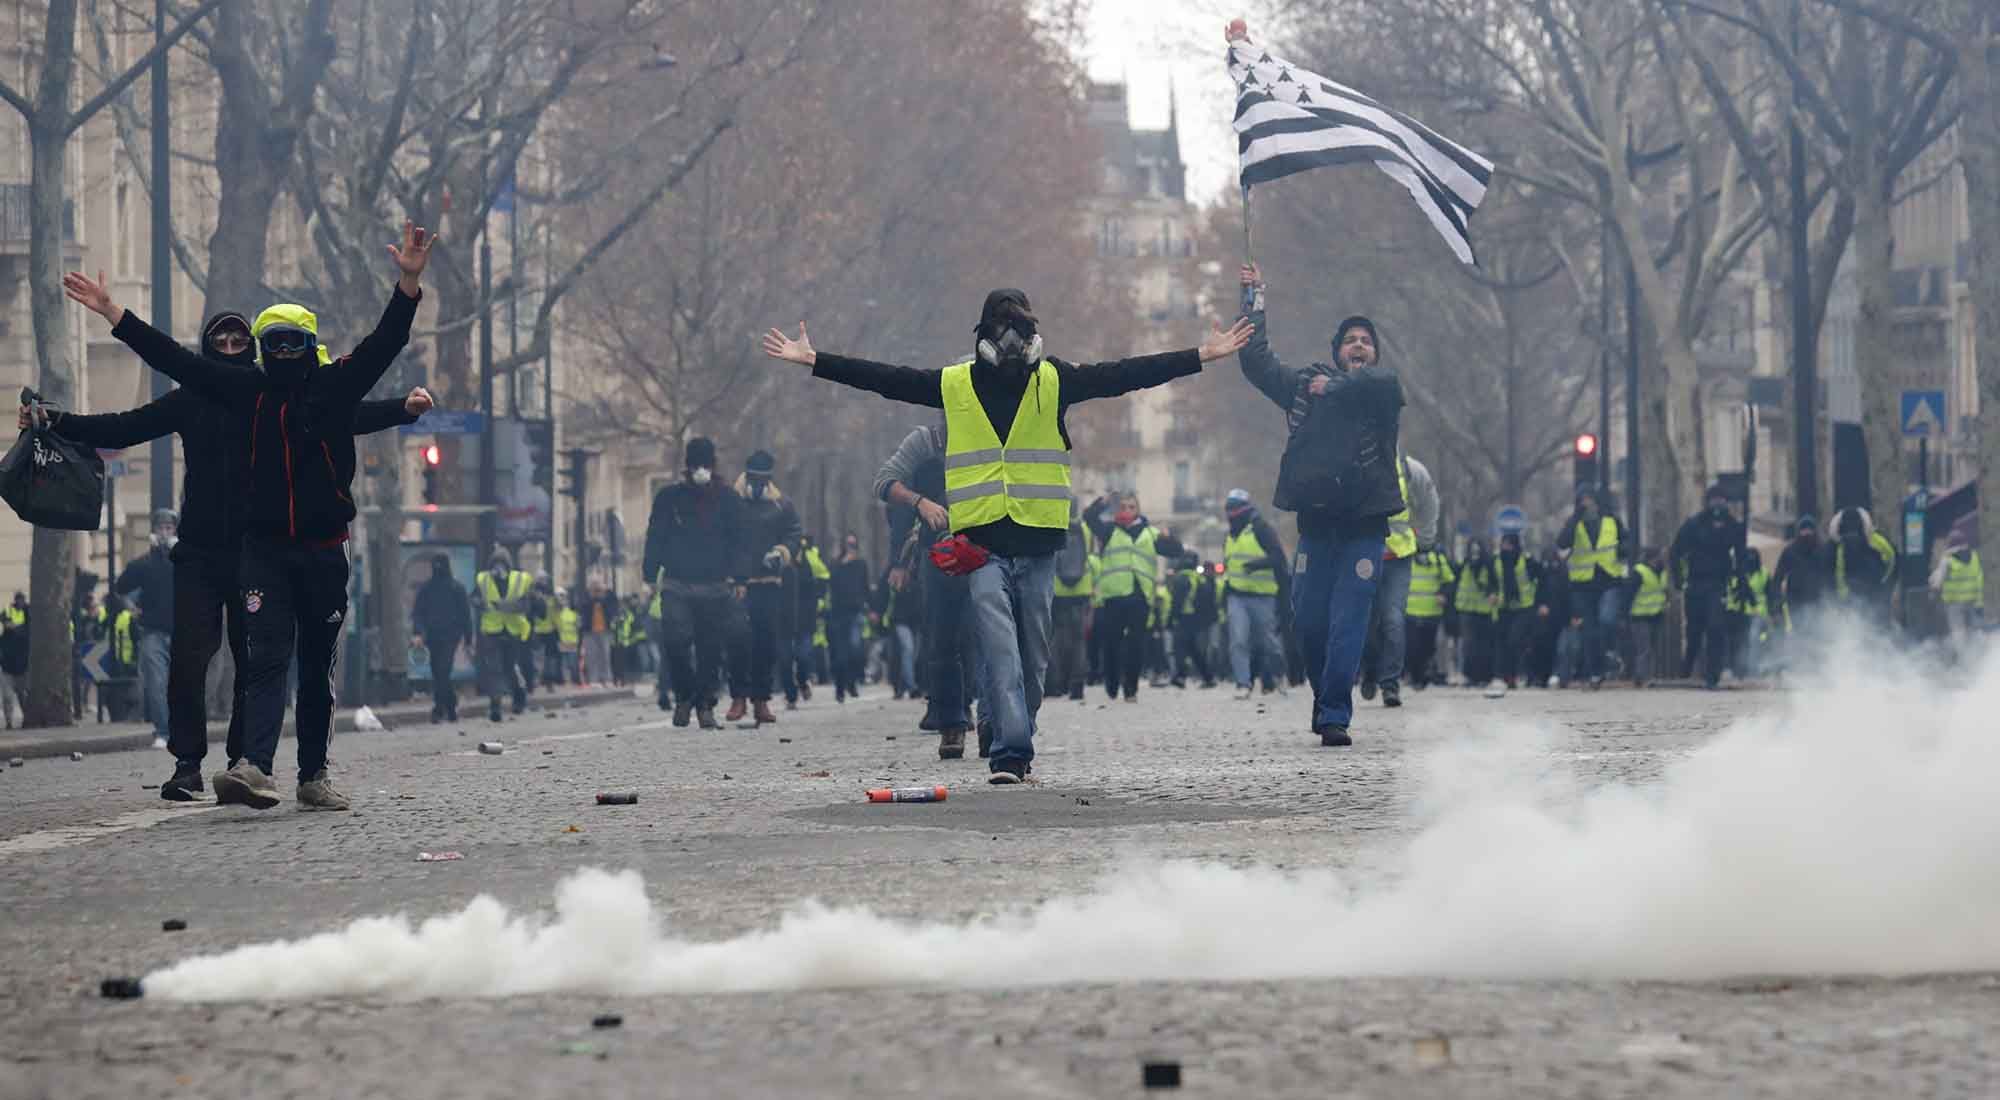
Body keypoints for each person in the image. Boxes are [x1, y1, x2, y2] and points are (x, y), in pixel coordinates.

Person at [764, 288, 1249, 781]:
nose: (1014, 340)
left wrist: (1201, 356)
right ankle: (1010, 753)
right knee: (999, 652)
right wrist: (814, 360)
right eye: (1004, 328)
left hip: (1039, 544)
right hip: (981, 548)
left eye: (1021, 328)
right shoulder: (954, 384)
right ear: (984, 339)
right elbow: (886, 379)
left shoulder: (1055, 379)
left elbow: (1126, 374)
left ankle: (1018, 729)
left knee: (1034, 658)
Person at [65, 222, 435, 811]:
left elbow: (384, 343)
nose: (284, 352)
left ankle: (313, 773)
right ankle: (252, 766)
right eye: (275, 343)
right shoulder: (246, 392)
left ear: (307, 343)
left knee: (315, 664)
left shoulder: (335, 387)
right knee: (264, 657)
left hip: (322, 548)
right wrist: (115, 313)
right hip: (262, 549)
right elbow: (174, 360)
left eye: (293, 341)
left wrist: (408, 284)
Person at [1237, 263, 1404, 745]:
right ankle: (1324, 695)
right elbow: (1257, 362)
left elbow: (1386, 384)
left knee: (1349, 621)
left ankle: (1335, 714)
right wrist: (1253, 301)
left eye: (1365, 341)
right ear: (1336, 352)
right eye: (1350, 339)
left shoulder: (1380, 393)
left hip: (1365, 531)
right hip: (1316, 529)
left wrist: (1338, 386)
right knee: (1309, 622)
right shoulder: (1305, 389)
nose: (1358, 345)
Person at [642, 437, 749, 730]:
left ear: (713, 466)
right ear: (687, 467)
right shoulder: (669, 498)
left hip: (715, 585)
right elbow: (656, 536)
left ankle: (705, 704)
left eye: (705, 464)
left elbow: (740, 541)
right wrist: (650, 575)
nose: (701, 470)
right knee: (675, 642)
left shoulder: (728, 500)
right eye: (695, 465)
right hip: (677, 582)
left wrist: (740, 577)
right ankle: (684, 696)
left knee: (710, 650)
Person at [1084, 492, 1187, 702]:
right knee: (1112, 643)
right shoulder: (1108, 530)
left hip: (1140, 595)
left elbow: (1177, 551)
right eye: (1122, 507)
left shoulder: (1150, 533)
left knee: (1136, 643)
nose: (1127, 511)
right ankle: (1112, 681)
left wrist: (1170, 538)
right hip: (1113, 595)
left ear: (1138, 510)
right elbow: (1089, 518)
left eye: (1131, 507)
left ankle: (1131, 688)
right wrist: (1102, 503)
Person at [1359, 455, 1439, 707]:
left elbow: (1428, 501)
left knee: (1393, 619)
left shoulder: (1409, 468)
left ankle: (1390, 684)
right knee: (1366, 622)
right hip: (1363, 555)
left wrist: (1426, 538)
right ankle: (1369, 670)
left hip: (1398, 557)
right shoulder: (1356, 459)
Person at [729, 450, 801, 725]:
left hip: (769, 583)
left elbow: (793, 532)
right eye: (754, 478)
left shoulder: (781, 505)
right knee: (737, 639)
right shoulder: (731, 502)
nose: (758, 484)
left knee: (766, 642)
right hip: (737, 583)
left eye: (763, 479)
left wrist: (781, 552)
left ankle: (761, 700)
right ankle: (738, 696)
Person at [113, 509, 179, 750]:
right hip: (153, 633)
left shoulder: (184, 561)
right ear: (153, 532)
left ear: (175, 531)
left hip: (182, 632)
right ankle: (162, 732)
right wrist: (131, 608)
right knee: (157, 685)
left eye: (169, 528)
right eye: (160, 528)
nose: (164, 532)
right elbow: (119, 588)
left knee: (182, 685)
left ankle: (181, 731)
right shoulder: (142, 564)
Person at [1670, 486, 1743, 689]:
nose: (1718, 504)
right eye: (1714, 499)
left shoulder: (1733, 526)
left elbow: (1741, 556)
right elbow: (1676, 551)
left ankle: (1712, 675)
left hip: (1717, 584)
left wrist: (1740, 583)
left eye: (1722, 499)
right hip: (1695, 583)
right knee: (1694, 630)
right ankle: (1688, 666)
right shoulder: (1694, 525)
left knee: (1715, 627)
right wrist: (1678, 578)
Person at [1556, 487, 1629, 688]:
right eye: (1583, 500)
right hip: (1582, 584)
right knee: (1589, 630)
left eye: (1590, 500)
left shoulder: (1611, 521)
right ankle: (1595, 670)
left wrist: (1624, 550)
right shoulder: (1574, 524)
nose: (1587, 504)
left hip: (1608, 579)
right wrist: (1574, 519)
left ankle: (1607, 652)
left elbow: (1625, 541)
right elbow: (1562, 543)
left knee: (1606, 620)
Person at [1220, 488, 1289, 698]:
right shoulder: (1229, 536)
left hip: (1263, 596)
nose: (1230, 513)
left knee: (1269, 643)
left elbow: (1279, 558)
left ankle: (1279, 675)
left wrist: (1257, 565)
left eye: (1233, 508)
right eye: (1228, 508)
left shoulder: (1261, 529)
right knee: (1238, 640)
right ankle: (1243, 683)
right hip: (1237, 596)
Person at [410, 553, 472, 723]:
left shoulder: (456, 588)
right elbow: (418, 613)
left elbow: (465, 615)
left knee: (443, 670)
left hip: (451, 637)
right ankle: (451, 706)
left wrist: (468, 639)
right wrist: (418, 633)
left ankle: (439, 709)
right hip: (432, 637)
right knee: (438, 672)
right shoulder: (427, 589)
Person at [1044, 499, 1095, 704]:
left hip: (1058, 590)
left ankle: (1056, 683)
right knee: (1079, 639)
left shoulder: (1053, 525)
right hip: (1081, 589)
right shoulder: (1086, 529)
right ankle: (1077, 685)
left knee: (1056, 638)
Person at [474, 549, 532, 721]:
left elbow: (526, 604)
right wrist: (480, 604)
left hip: (513, 630)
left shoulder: (520, 579)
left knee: (510, 667)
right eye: (495, 564)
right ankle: (495, 705)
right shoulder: (483, 579)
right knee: (494, 668)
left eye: (502, 564)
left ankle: (519, 696)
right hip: (492, 631)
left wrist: (508, 606)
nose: (498, 568)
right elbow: (475, 598)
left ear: (508, 565)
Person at [1771, 514, 1834, 642]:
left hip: (1817, 600)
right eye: (1803, 530)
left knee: (1817, 634)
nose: (1806, 533)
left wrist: (1831, 598)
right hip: (1796, 600)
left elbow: (1830, 575)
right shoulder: (1789, 551)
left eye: (1809, 529)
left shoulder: (1823, 550)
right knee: (1800, 633)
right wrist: (1777, 604)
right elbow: (1778, 578)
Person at [825, 532, 872, 702]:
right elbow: (832, 584)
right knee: (839, 654)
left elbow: (865, 587)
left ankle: (852, 683)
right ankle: (840, 688)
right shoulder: (836, 565)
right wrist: (842, 563)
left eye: (853, 545)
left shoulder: (861, 564)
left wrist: (872, 609)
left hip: (855, 612)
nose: (850, 548)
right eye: (848, 544)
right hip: (837, 614)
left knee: (855, 650)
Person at [1829, 506, 1895, 623]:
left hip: (1861, 592)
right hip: (1869, 591)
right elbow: (1891, 558)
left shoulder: (1842, 546)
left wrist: (1842, 595)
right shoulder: (1876, 540)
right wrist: (1884, 579)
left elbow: (1840, 572)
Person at [1403, 545, 1454, 689]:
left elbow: (1449, 580)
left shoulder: (1438, 559)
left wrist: (1443, 593)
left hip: (1432, 612)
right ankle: (1416, 677)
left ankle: (1424, 673)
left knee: (1428, 647)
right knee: (1412, 646)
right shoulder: (1407, 558)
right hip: (1410, 611)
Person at [1492, 531, 1538, 689]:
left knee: (1515, 640)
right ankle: (1507, 676)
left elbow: (1539, 580)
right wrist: (1492, 594)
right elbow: (1491, 581)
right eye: (1504, 544)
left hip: (1524, 607)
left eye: (1509, 544)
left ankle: (1520, 673)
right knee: (1504, 644)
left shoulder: (1527, 560)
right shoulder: (1496, 561)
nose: (1506, 548)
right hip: (1504, 608)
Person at [1167, 554, 1218, 689]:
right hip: (1195, 618)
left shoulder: (1180, 578)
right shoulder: (1199, 578)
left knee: (1179, 647)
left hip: (1184, 617)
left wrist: (1171, 619)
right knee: (1193, 649)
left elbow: (1176, 601)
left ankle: (1180, 676)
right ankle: (1208, 677)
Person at [1454, 537, 1500, 688]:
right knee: (1469, 645)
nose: (1475, 554)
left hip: (1484, 610)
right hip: (1466, 610)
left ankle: (1484, 676)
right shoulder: (1464, 564)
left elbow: (1495, 584)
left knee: (1483, 646)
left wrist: (1493, 595)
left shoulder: (1488, 564)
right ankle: (1470, 675)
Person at [1623, 547, 1668, 686]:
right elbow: (1629, 595)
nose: (1663, 558)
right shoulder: (1639, 572)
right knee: (1644, 648)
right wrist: (1624, 615)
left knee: (1654, 648)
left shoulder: (1662, 572)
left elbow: (1663, 591)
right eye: (1660, 556)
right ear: (1652, 558)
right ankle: (1642, 677)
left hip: (1656, 615)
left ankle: (1650, 677)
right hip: (1639, 615)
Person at [1728, 547, 1771, 678]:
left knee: (1753, 639)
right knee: (1740, 642)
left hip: (1759, 612)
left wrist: (1771, 613)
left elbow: (1770, 594)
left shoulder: (1764, 573)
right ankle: (1739, 670)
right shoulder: (1738, 573)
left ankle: (1753, 671)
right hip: (1740, 612)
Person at [1931, 537, 1983, 639]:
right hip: (1971, 601)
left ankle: (1962, 653)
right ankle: (1978, 651)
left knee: (1958, 631)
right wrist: (1979, 602)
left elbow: (1938, 582)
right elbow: (1979, 579)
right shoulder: (1974, 557)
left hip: (1954, 603)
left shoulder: (1947, 560)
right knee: (1972, 629)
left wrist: (1933, 590)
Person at [578, 578, 617, 686]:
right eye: (594, 586)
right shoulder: (585, 597)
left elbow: (612, 610)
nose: (596, 589)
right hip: (589, 631)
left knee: (605, 656)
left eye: (598, 586)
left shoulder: (608, 596)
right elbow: (582, 609)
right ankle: (594, 679)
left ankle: (607, 678)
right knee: (591, 656)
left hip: (605, 631)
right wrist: (592, 598)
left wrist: (602, 597)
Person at [0, 594, 26, 729]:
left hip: (22, 665)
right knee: (7, 697)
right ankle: (9, 722)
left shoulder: (29, 612)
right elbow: (5, 622)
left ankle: (26, 719)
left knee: (23, 696)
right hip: (7, 665)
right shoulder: (8, 611)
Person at [531, 574, 562, 686]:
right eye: (541, 579)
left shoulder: (551, 595)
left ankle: (549, 678)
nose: (543, 582)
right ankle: (538, 678)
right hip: (537, 629)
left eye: (545, 580)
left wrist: (557, 627)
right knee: (538, 656)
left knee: (550, 656)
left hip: (550, 629)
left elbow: (557, 611)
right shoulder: (534, 594)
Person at [553, 588, 582, 685]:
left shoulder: (560, 614)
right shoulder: (573, 614)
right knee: (571, 663)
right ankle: (570, 680)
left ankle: (568, 681)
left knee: (566, 664)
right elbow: (578, 626)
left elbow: (556, 626)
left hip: (565, 641)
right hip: (570, 641)